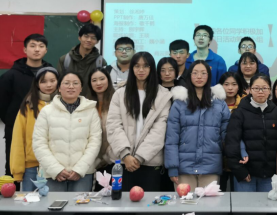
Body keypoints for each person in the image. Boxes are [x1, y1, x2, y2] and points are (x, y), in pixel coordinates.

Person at [107, 52, 173, 191]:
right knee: (122, 202)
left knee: (148, 203)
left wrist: (139, 157)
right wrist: (125, 155)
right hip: (123, 162)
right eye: (137, 66)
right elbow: (113, 125)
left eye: (145, 66)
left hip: (150, 162)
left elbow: (160, 131)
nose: (141, 70)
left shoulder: (163, 96)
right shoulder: (120, 94)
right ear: (132, 68)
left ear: (152, 68)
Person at [0, 33, 52, 180]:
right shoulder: (10, 76)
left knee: (47, 168)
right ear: (25, 50)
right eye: (32, 46)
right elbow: (0, 103)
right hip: (17, 130)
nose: (37, 49)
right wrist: (14, 121)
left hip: (49, 130)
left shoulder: (52, 75)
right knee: (13, 168)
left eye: (41, 46)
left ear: (46, 50)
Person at [165, 61, 231, 189]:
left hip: (210, 166)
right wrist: (172, 167)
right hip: (184, 167)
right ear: (189, 75)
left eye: (203, 73)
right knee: (185, 202)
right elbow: (171, 138)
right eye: (195, 73)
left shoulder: (219, 103)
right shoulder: (179, 103)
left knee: (209, 202)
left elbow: (228, 135)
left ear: (209, 76)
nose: (199, 77)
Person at [32, 72, 102, 191]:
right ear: (59, 88)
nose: (71, 86)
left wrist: (79, 169)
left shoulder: (91, 111)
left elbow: (95, 142)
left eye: (75, 83)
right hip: (52, 174)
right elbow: (39, 143)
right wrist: (56, 170)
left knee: (79, 203)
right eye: (66, 83)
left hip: (82, 174)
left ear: (81, 88)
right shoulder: (46, 111)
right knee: (53, 203)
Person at [226, 74, 277, 192]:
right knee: (246, 204)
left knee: (268, 204)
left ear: (270, 90)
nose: (260, 91)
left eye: (264, 88)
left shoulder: (276, 112)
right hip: (246, 174)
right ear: (250, 90)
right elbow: (231, 144)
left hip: (270, 174)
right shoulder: (240, 113)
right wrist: (239, 170)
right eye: (256, 88)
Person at [10, 67, 58, 191]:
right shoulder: (28, 106)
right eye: (43, 81)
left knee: (53, 201)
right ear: (36, 84)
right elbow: (18, 139)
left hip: (56, 166)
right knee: (30, 202)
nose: (49, 85)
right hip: (31, 167)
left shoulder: (64, 105)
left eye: (52, 80)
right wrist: (17, 171)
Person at [58, 24, 107, 98]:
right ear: (79, 38)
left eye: (93, 38)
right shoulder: (65, 60)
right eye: (86, 36)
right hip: (69, 101)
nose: (89, 40)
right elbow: (59, 84)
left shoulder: (100, 62)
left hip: (91, 102)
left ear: (97, 41)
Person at [219, 71, 247, 192]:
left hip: (239, 157)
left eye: (234, 84)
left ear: (239, 86)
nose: (230, 88)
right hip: (219, 156)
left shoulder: (245, 104)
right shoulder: (214, 104)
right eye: (226, 84)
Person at [87, 67, 116, 183]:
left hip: (113, 159)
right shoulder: (86, 104)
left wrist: (106, 157)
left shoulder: (117, 101)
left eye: (102, 79)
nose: (98, 83)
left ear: (108, 80)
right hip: (91, 160)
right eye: (94, 80)